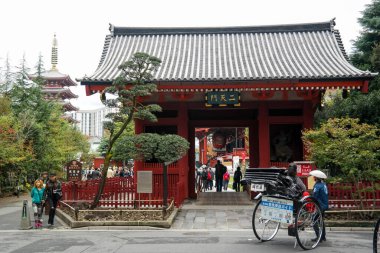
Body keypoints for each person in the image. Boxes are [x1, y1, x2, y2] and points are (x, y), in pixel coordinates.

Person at [309, 170, 328, 242]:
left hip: (320, 205)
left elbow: (315, 196)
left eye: (314, 177)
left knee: (314, 219)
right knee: (321, 221)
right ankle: (323, 236)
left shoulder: (317, 186)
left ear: (316, 178)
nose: (313, 177)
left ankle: (318, 237)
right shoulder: (324, 185)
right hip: (324, 204)